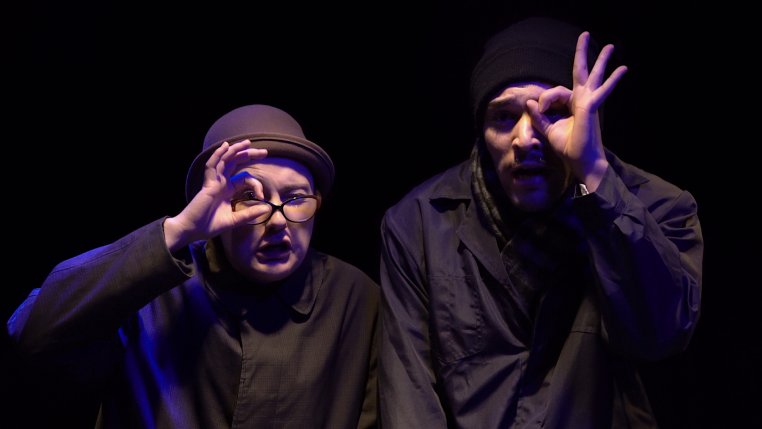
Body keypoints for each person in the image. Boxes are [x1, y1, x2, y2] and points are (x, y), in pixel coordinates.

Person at [378, 16, 703, 428]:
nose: (526, 138)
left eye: (554, 112)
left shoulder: (660, 206)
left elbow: (659, 335)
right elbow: (409, 397)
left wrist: (593, 177)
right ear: (481, 130)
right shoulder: (420, 222)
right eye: (504, 117)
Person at [7, 104, 379, 428]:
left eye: (296, 197)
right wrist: (179, 230)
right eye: (250, 197)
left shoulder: (356, 299)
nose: (278, 219)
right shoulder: (153, 290)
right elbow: (34, 332)